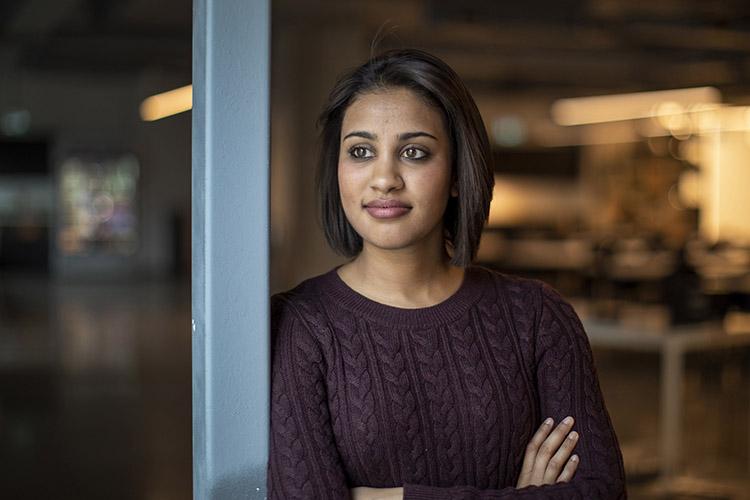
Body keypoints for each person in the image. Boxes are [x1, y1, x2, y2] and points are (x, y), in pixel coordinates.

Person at [267, 48, 626, 499]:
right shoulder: (298, 325)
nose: (384, 178)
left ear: (458, 173)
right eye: (360, 151)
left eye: (414, 152)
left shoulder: (537, 317)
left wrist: (388, 497)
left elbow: (602, 492)